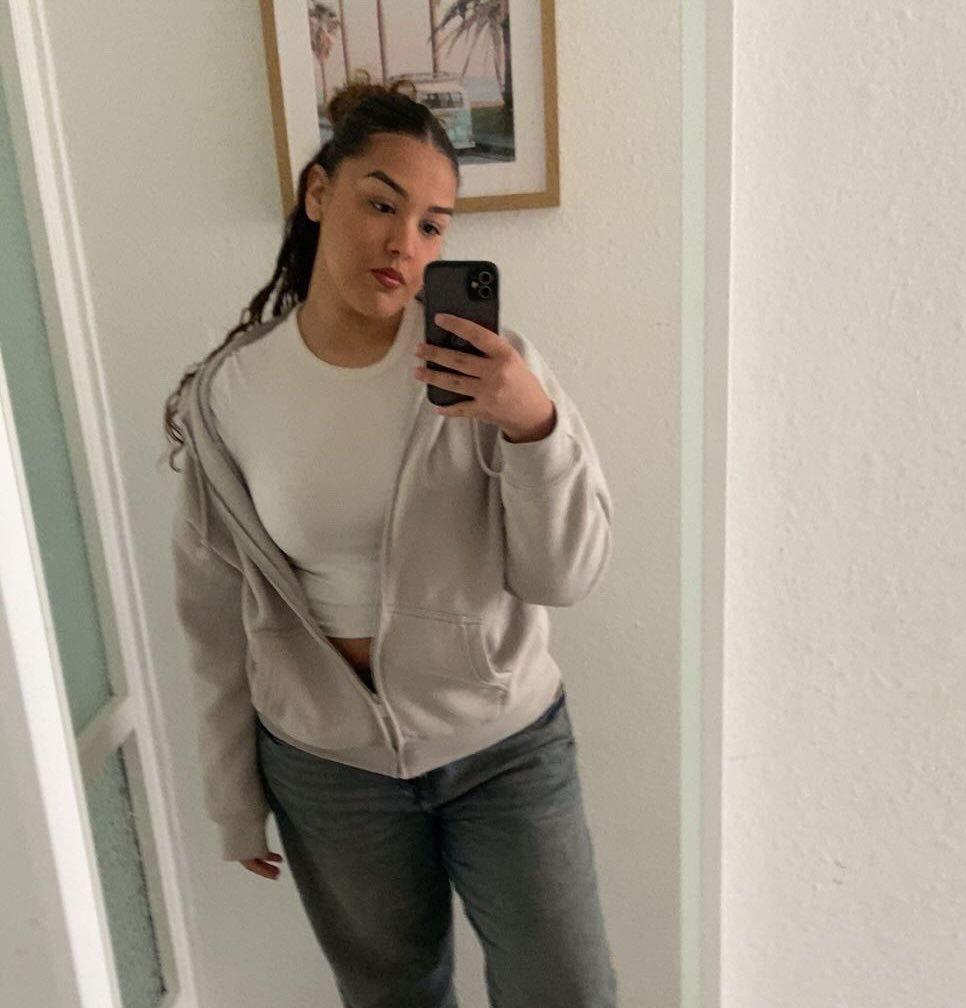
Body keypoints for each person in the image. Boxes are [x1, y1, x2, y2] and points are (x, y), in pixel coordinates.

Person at [165, 77, 618, 1008]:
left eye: (432, 225)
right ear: (318, 193)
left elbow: (564, 576)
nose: (405, 243)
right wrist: (233, 797)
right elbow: (212, 614)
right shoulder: (231, 397)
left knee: (567, 992)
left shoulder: (490, 368)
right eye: (381, 204)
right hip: (330, 769)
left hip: (504, 744)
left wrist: (533, 426)